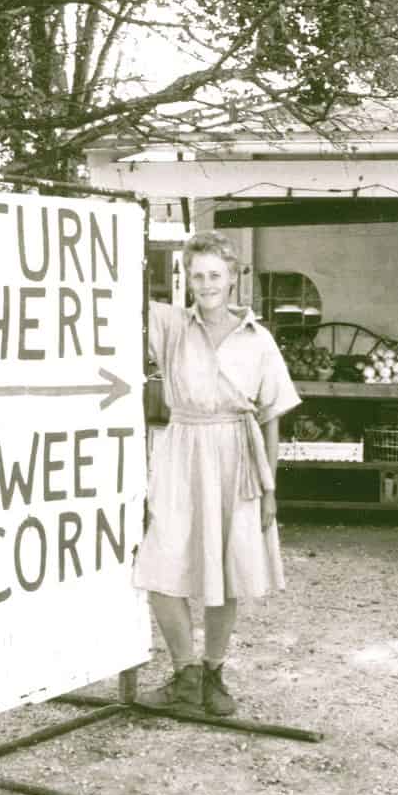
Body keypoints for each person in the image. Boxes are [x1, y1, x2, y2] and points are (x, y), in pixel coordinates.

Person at [133, 230, 301, 716]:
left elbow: (270, 415)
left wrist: (270, 488)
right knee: (160, 564)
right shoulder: (170, 325)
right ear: (186, 278)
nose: (205, 284)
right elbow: (121, 295)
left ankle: (213, 673)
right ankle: (184, 671)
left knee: (225, 572)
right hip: (182, 448)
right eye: (196, 275)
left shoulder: (258, 339)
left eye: (214, 275)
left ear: (232, 278)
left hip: (237, 455)